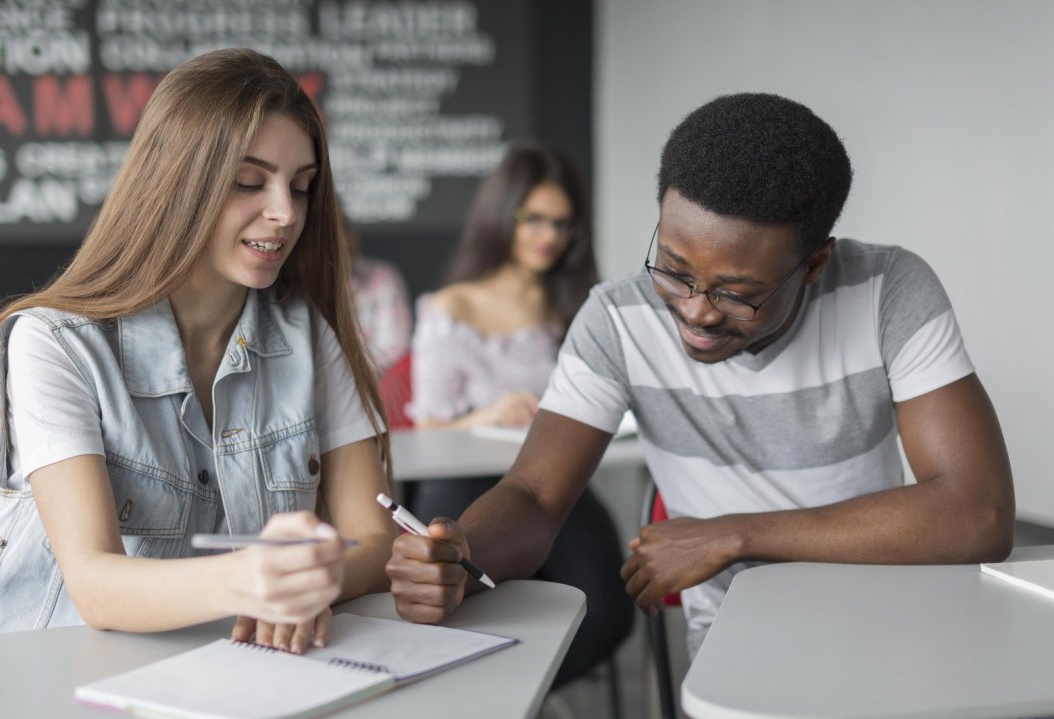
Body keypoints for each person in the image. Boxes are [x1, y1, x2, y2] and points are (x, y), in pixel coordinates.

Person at [386, 93, 1015, 660]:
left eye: (738, 293)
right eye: (673, 268)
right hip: (734, 643)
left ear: (816, 263)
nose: (696, 310)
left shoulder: (888, 291)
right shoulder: (617, 318)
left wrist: (736, 536)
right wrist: (460, 555)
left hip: (891, 619)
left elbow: (977, 512)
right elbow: (534, 495)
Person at [0, 49, 397, 651]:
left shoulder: (306, 334)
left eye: (302, 187)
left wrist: (312, 580)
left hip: (206, 670)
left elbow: (377, 537)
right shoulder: (54, 343)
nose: (285, 213)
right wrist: (251, 581)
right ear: (178, 184)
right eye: (247, 182)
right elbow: (94, 585)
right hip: (37, 665)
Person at [405, 142, 633, 687]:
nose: (549, 236)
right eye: (534, 219)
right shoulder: (451, 307)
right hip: (461, 484)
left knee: (607, 612)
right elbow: (425, 429)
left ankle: (511, 699)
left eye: (562, 223)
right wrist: (489, 412)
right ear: (501, 216)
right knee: (462, 616)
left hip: (553, 482)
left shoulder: (571, 309)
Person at [343, 212, 412, 378]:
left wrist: (342, 378)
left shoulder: (383, 277)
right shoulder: (298, 287)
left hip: (374, 391)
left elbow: (395, 348)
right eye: (330, 233)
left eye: (346, 230)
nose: (345, 240)